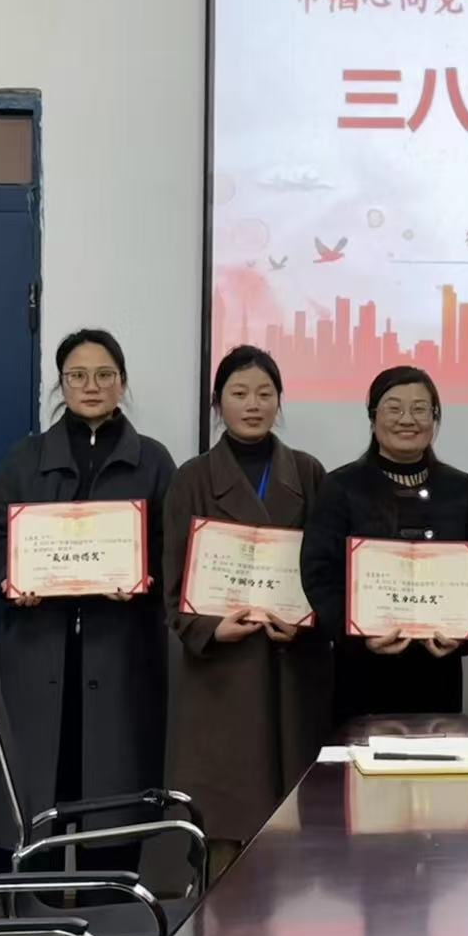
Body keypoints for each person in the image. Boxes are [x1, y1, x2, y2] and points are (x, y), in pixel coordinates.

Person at [0, 328, 175, 857]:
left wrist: (145, 578)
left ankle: (110, 901)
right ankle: (36, 905)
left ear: (122, 383)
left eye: (105, 375)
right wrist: (12, 578)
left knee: (114, 800)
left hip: (121, 651)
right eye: (78, 375)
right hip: (39, 650)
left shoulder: (153, 461)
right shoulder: (25, 458)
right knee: (38, 794)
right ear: (61, 384)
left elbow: (171, 545)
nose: (91, 386)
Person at [162, 346, 330, 869]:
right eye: (239, 393)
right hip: (220, 674)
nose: (253, 404)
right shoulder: (192, 478)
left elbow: (326, 573)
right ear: (218, 403)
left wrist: (305, 623)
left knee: (294, 817)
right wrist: (211, 628)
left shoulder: (308, 473)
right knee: (224, 815)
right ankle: (217, 912)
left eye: (264, 393)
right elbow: (173, 579)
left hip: (291, 665)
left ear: (279, 401)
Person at [300, 366, 468, 722]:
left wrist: (464, 635)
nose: (407, 419)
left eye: (420, 409)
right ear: (373, 417)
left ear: (434, 418)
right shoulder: (341, 487)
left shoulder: (460, 489)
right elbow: (319, 572)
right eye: (394, 408)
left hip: (438, 667)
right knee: (362, 755)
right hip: (362, 670)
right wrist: (356, 636)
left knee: (436, 753)